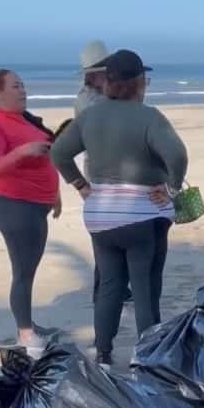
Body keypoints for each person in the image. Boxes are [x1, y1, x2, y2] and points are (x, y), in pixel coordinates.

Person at [50, 49, 187, 369]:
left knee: (110, 285)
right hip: (142, 216)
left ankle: (104, 353)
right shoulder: (150, 117)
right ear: (138, 82)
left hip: (101, 216)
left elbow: (58, 152)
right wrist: (170, 187)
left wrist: (81, 186)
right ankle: (149, 355)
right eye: (145, 79)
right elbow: (177, 156)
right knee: (145, 286)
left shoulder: (90, 117)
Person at [0, 69, 62, 358]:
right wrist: (24, 151)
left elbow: (46, 158)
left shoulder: (22, 119)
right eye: (15, 86)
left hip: (36, 206)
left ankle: (28, 324)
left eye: (23, 85)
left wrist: (56, 194)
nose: (22, 90)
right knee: (23, 272)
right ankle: (26, 334)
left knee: (29, 270)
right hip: (14, 206)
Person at [75, 40, 133, 305]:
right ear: (93, 74)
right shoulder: (89, 102)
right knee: (106, 232)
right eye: (104, 72)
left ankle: (117, 285)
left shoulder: (102, 96)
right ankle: (106, 287)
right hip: (100, 175)